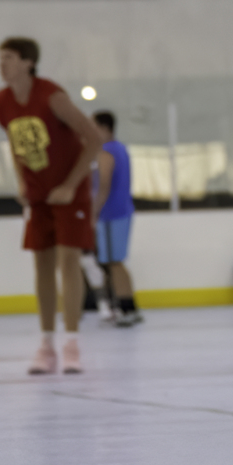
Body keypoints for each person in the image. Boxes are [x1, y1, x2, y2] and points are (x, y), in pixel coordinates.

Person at [0, 37, 103, 377]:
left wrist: (71, 185)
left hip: (69, 192)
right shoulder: (1, 101)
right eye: (0, 58)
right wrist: (22, 181)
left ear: (28, 62)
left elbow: (94, 138)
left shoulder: (52, 96)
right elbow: (15, 140)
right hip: (39, 194)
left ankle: (71, 343)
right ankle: (46, 343)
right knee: (41, 265)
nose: (2, 64)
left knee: (68, 262)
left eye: (8, 58)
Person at [92, 111, 141, 326]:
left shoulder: (106, 152)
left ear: (104, 128)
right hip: (122, 211)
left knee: (114, 263)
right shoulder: (121, 149)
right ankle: (118, 304)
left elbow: (103, 186)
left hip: (111, 214)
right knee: (112, 263)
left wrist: (93, 213)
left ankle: (126, 307)